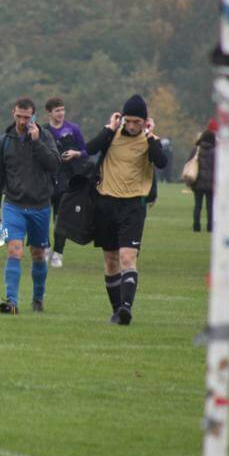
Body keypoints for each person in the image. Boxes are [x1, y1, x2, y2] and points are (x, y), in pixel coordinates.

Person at [86, 95, 167, 325]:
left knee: (127, 257)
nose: (132, 126)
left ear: (145, 122)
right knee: (111, 260)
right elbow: (89, 148)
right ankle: (117, 310)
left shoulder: (151, 140)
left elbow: (161, 162)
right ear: (121, 118)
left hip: (132, 207)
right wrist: (109, 128)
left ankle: (126, 307)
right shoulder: (111, 136)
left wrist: (150, 136)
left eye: (137, 122)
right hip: (106, 204)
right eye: (128, 121)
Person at [0, 98, 61, 314]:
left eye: (26, 117)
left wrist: (37, 142)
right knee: (14, 250)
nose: (22, 121)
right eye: (18, 116)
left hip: (40, 206)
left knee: (38, 254)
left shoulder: (45, 136)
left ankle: (38, 298)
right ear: (13, 113)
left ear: (34, 116)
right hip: (13, 205)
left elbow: (55, 165)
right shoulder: (4, 142)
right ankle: (12, 301)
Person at [42, 97, 87, 268]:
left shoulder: (73, 129)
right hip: (47, 180)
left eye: (62, 110)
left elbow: (85, 151)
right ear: (49, 112)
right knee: (43, 217)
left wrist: (76, 154)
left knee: (61, 218)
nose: (61, 114)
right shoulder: (43, 131)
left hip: (66, 181)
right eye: (57, 111)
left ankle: (58, 253)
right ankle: (45, 248)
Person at [189, 122, 217, 232]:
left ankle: (196, 226)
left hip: (198, 182)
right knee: (210, 207)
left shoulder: (196, 150)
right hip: (211, 183)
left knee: (197, 206)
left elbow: (190, 163)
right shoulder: (216, 151)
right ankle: (210, 227)